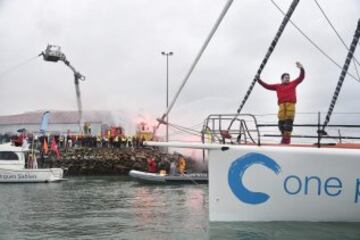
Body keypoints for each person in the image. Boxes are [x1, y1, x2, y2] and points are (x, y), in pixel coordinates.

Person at [257, 62, 305, 144]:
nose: (287, 79)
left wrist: (302, 68)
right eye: (286, 77)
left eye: (288, 77)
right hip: (281, 107)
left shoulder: (293, 83)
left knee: (288, 124)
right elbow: (267, 86)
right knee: (280, 125)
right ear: (282, 79)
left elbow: (301, 77)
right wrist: (258, 80)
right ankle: (284, 139)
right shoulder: (277, 86)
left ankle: (286, 141)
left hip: (290, 106)